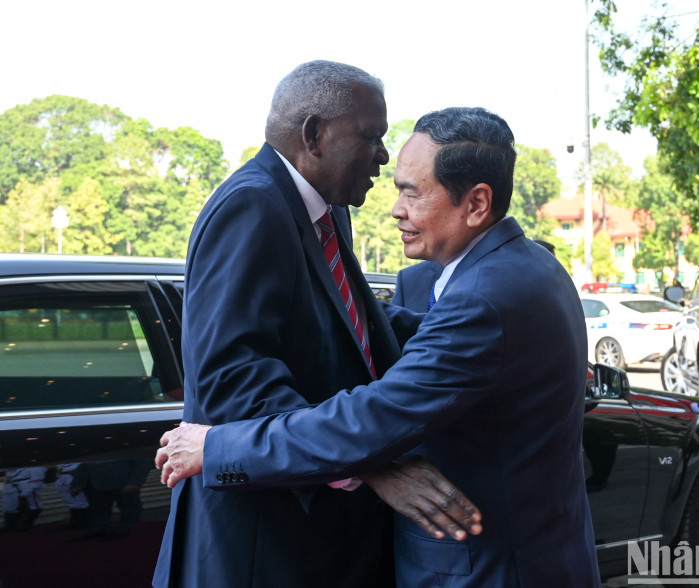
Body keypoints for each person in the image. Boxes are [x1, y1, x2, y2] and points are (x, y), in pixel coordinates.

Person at [157, 107, 600, 586]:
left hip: (489, 570)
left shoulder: (481, 301)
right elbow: (427, 337)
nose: (396, 209)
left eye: (412, 192)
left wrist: (217, 447)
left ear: (475, 204)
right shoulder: (532, 266)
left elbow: (371, 419)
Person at [154, 62, 479, 588]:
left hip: (322, 538)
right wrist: (371, 467)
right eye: (372, 137)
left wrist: (469, 334)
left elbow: (355, 323)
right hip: (266, 546)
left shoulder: (327, 211)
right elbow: (230, 386)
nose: (382, 156)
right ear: (314, 135)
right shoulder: (252, 207)